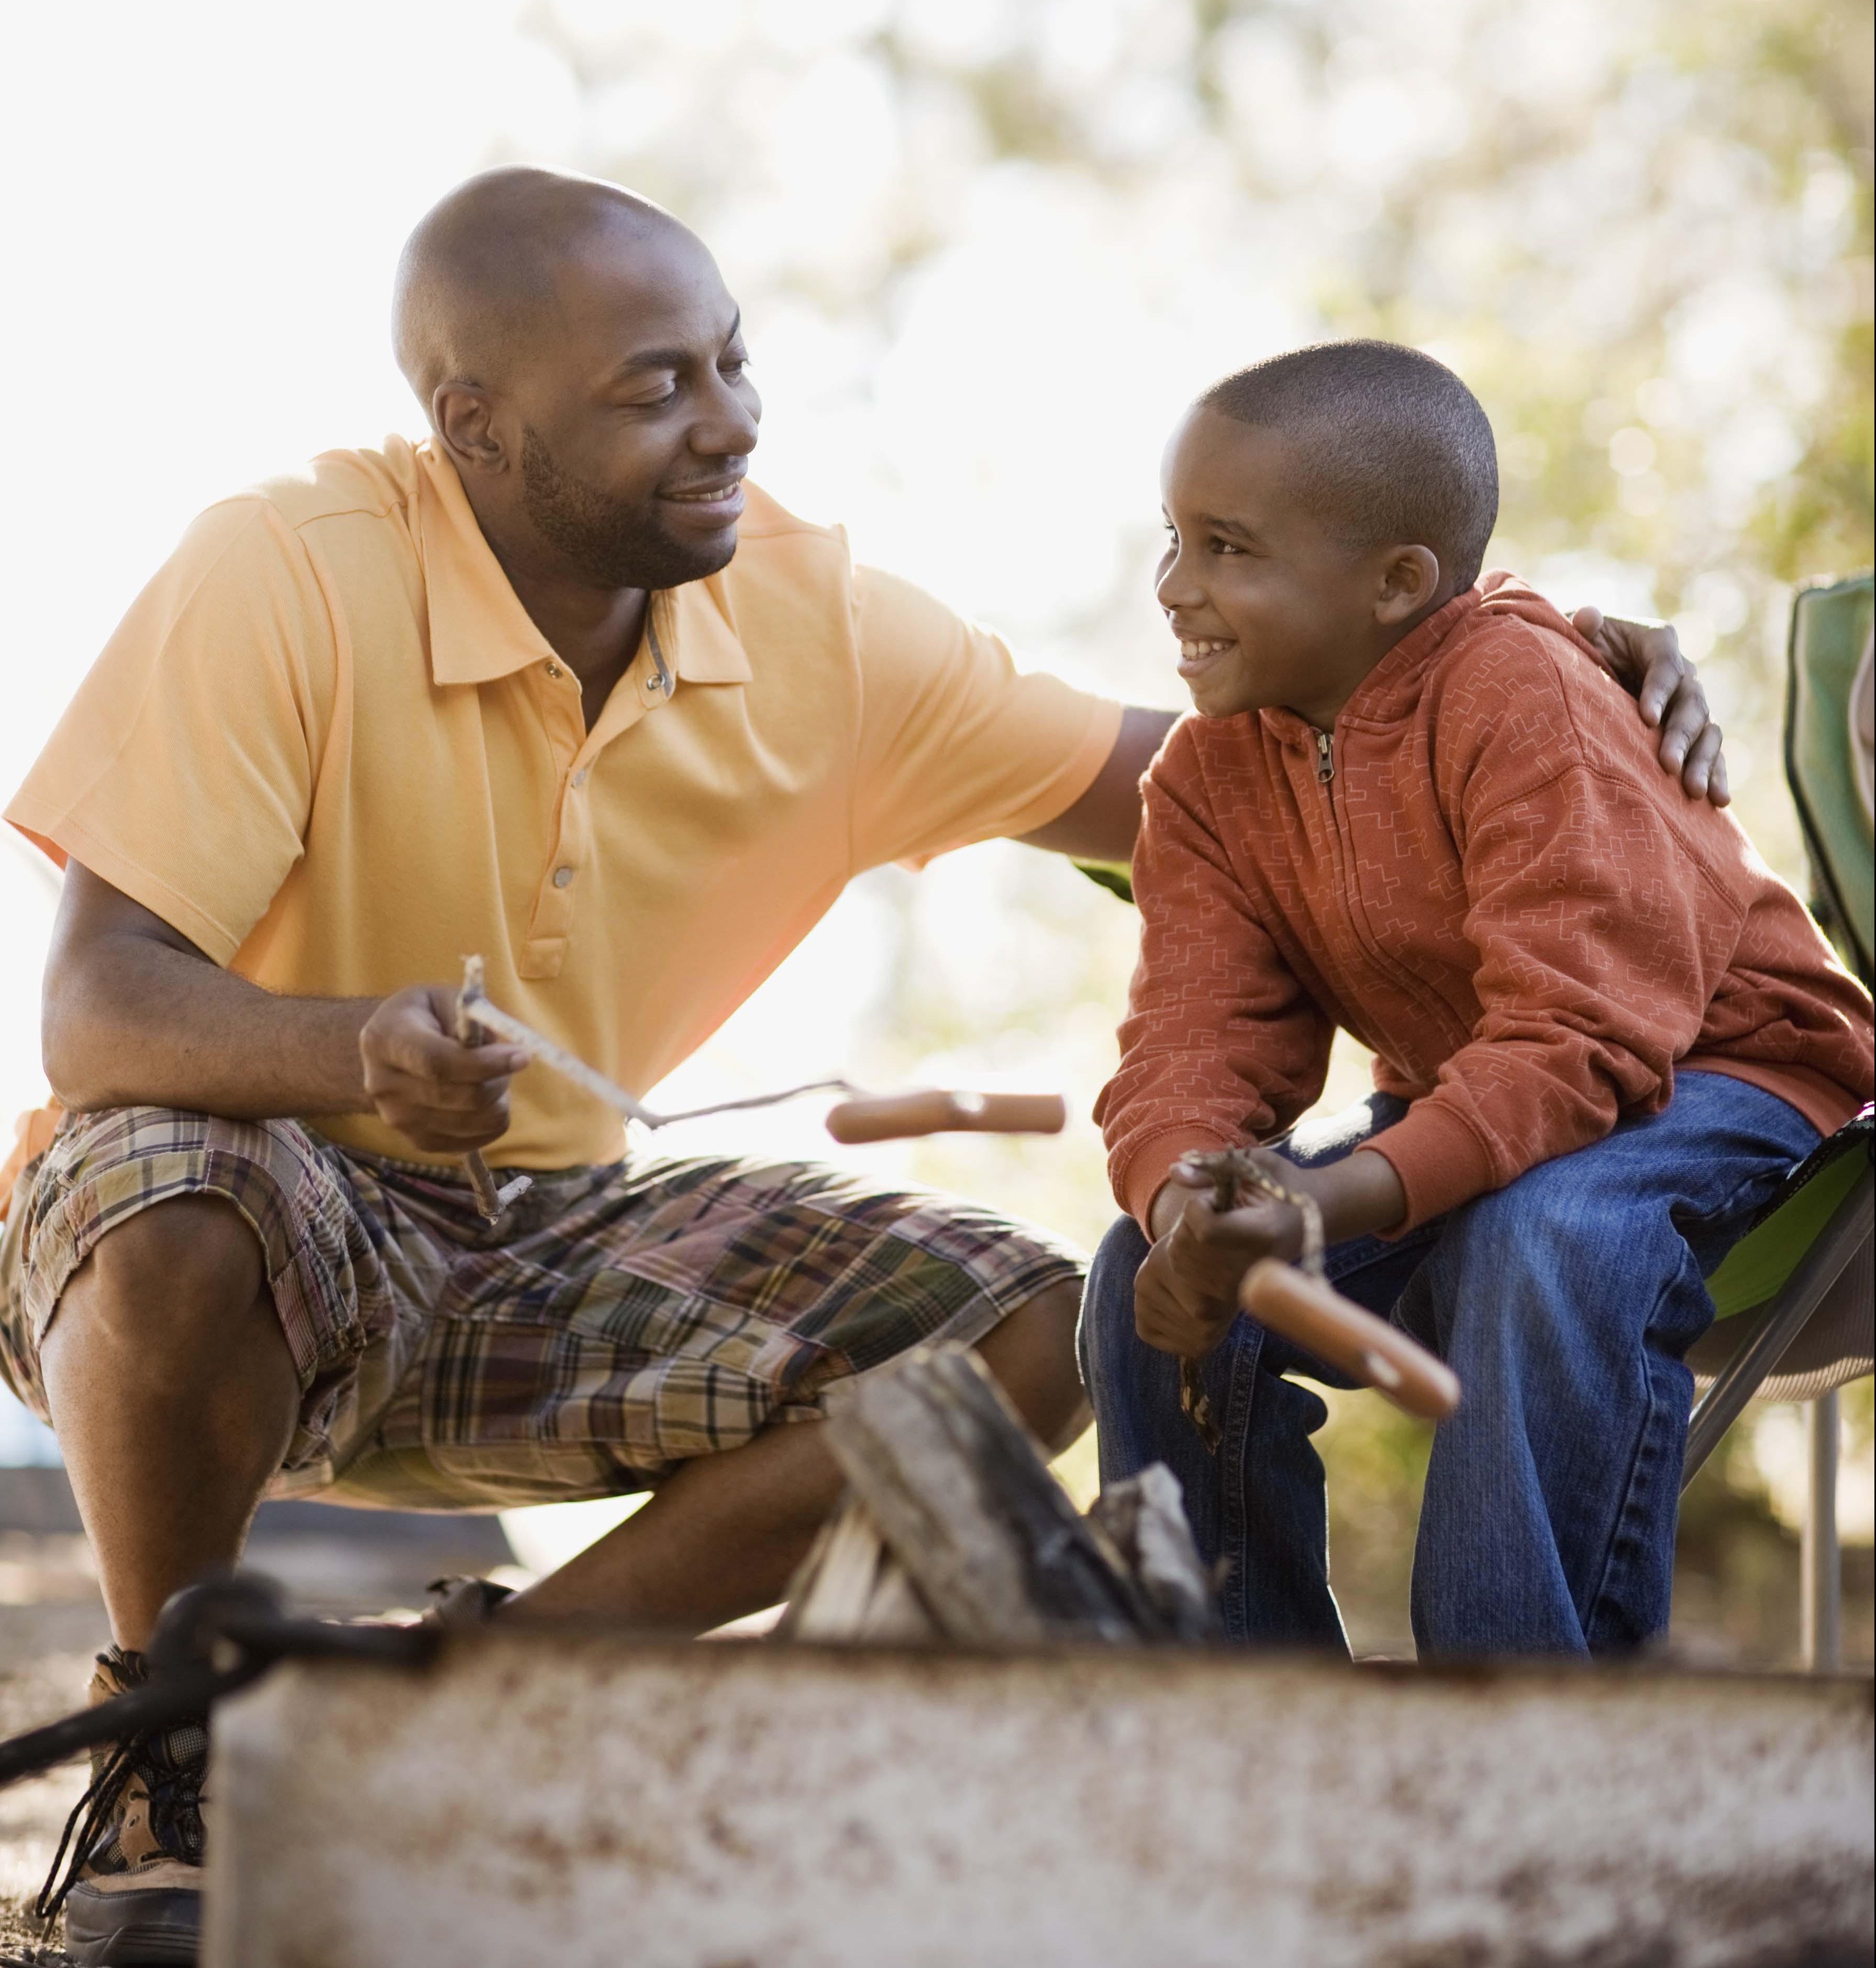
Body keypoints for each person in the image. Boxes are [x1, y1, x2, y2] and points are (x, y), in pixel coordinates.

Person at [0, 173, 1713, 1964]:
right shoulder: (284, 569)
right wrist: (353, 1044)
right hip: (238, 1241)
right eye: (657, 387)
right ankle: (167, 1749)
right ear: (475, 425)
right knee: (167, 1174)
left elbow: (1243, 767)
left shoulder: (814, 627)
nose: (730, 420)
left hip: (538, 1241)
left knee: (1038, 1322)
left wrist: (1506, 661)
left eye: (732, 362)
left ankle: (463, 1697)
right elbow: (96, 1007)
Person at [1082, 340, 1873, 1663]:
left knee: (1545, 1226)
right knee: (1133, 1274)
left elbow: (1584, 1034)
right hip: (1487, 1104)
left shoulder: (1520, 693)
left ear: (1397, 583)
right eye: (1173, 537)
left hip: (1730, 1078)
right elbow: (1188, 1048)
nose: (1172, 586)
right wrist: (1187, 1208)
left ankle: (1519, 1707)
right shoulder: (1207, 782)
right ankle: (1239, 1703)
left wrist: (1325, 1202)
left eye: (1226, 548)